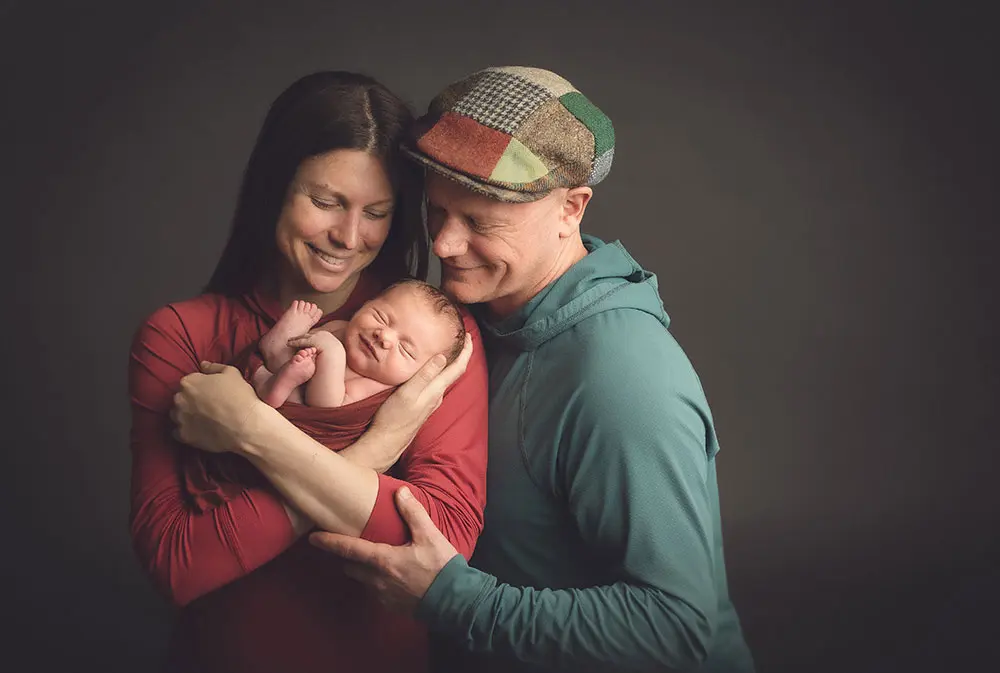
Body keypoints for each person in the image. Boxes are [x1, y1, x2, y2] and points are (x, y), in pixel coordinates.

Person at [308, 66, 757, 672]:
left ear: (571, 208)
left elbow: (676, 633)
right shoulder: (468, 315)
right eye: (437, 212)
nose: (442, 246)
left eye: (479, 222)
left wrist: (448, 598)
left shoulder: (623, 377)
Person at [128, 71, 488, 673]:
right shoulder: (180, 335)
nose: (349, 237)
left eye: (376, 212)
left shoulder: (430, 335)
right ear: (274, 188)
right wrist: (377, 450)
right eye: (325, 202)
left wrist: (251, 429)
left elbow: (441, 545)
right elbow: (178, 564)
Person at [253, 280, 466, 409]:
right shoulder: (341, 327)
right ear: (366, 303)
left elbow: (327, 406)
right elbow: (307, 345)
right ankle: (277, 353)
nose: (384, 337)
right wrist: (303, 343)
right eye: (380, 317)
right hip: (283, 374)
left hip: (303, 411)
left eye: (405, 349)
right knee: (277, 359)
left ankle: (277, 380)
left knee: (293, 392)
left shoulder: (376, 384)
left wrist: (333, 354)